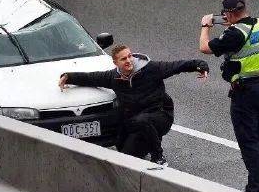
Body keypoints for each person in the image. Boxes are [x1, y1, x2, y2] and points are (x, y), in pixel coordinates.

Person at [59, 45, 209, 166]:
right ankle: (144, 145)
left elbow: (179, 66)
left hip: (161, 115)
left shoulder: (151, 69)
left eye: (130, 56)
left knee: (143, 120)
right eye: (123, 59)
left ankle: (158, 157)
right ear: (116, 63)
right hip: (137, 123)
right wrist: (69, 77)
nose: (129, 60)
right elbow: (92, 78)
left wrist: (200, 66)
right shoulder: (113, 77)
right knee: (125, 157)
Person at [199, 0, 259, 192]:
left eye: (224, 14)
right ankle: (258, 182)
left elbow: (205, 48)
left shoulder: (234, 33)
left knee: (248, 142)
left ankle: (257, 191)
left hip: (245, 91)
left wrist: (205, 26)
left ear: (229, 13)